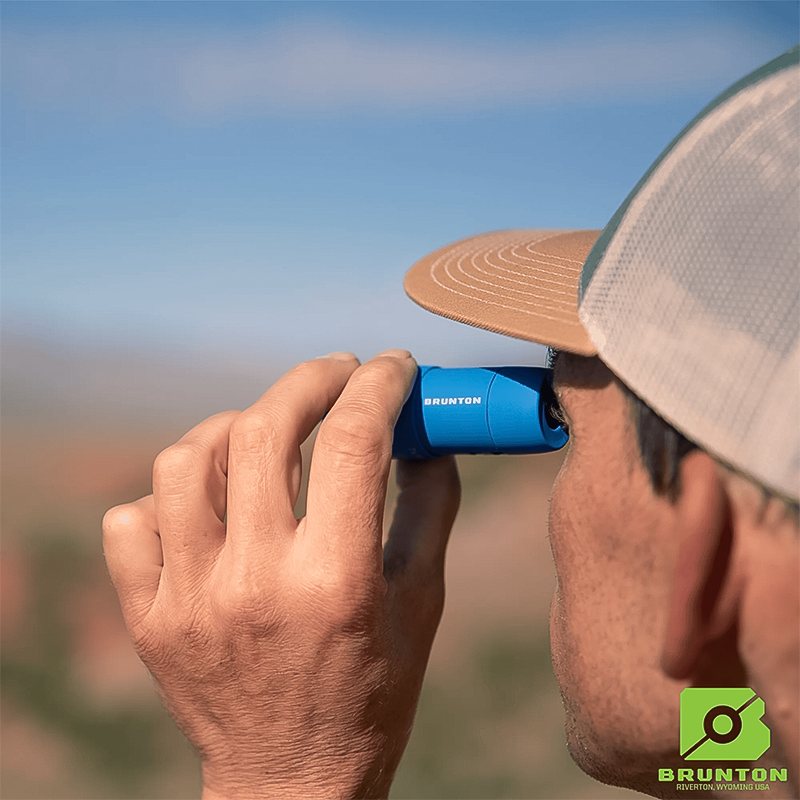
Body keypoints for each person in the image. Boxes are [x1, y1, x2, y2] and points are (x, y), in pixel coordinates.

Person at [103, 48, 799, 799]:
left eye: (569, 421)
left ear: (707, 559)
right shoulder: (750, 757)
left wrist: (281, 772)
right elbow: (743, 755)